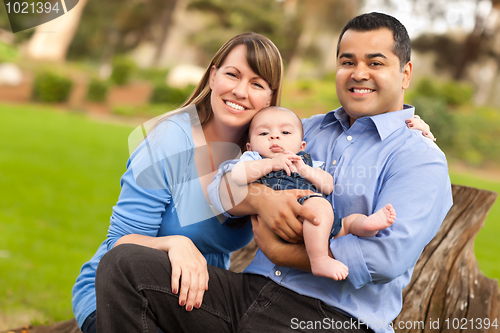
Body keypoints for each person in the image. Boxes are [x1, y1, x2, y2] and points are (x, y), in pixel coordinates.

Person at [94, 12, 451, 333]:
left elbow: (385, 258)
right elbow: (232, 177)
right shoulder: (303, 130)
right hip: (248, 294)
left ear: (405, 73)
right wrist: (261, 199)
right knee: (126, 266)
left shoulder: (419, 158)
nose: (359, 73)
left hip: (329, 317)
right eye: (347, 61)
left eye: (375, 62)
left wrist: (283, 254)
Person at [71, 32, 286, 333]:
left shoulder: (262, 157)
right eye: (232, 75)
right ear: (213, 76)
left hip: (192, 300)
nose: (240, 91)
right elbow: (119, 243)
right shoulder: (170, 140)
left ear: (270, 98)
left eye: (256, 84)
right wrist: (175, 243)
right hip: (118, 294)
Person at [230, 105, 396, 280]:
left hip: (319, 223)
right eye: (264, 134)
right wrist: (270, 164)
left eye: (285, 133)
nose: (274, 136)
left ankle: (365, 225)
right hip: (289, 216)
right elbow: (237, 175)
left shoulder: (304, 161)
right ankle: (319, 259)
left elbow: (328, 186)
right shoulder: (254, 159)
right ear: (249, 146)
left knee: (347, 222)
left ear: (301, 146)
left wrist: (306, 170)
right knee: (320, 205)